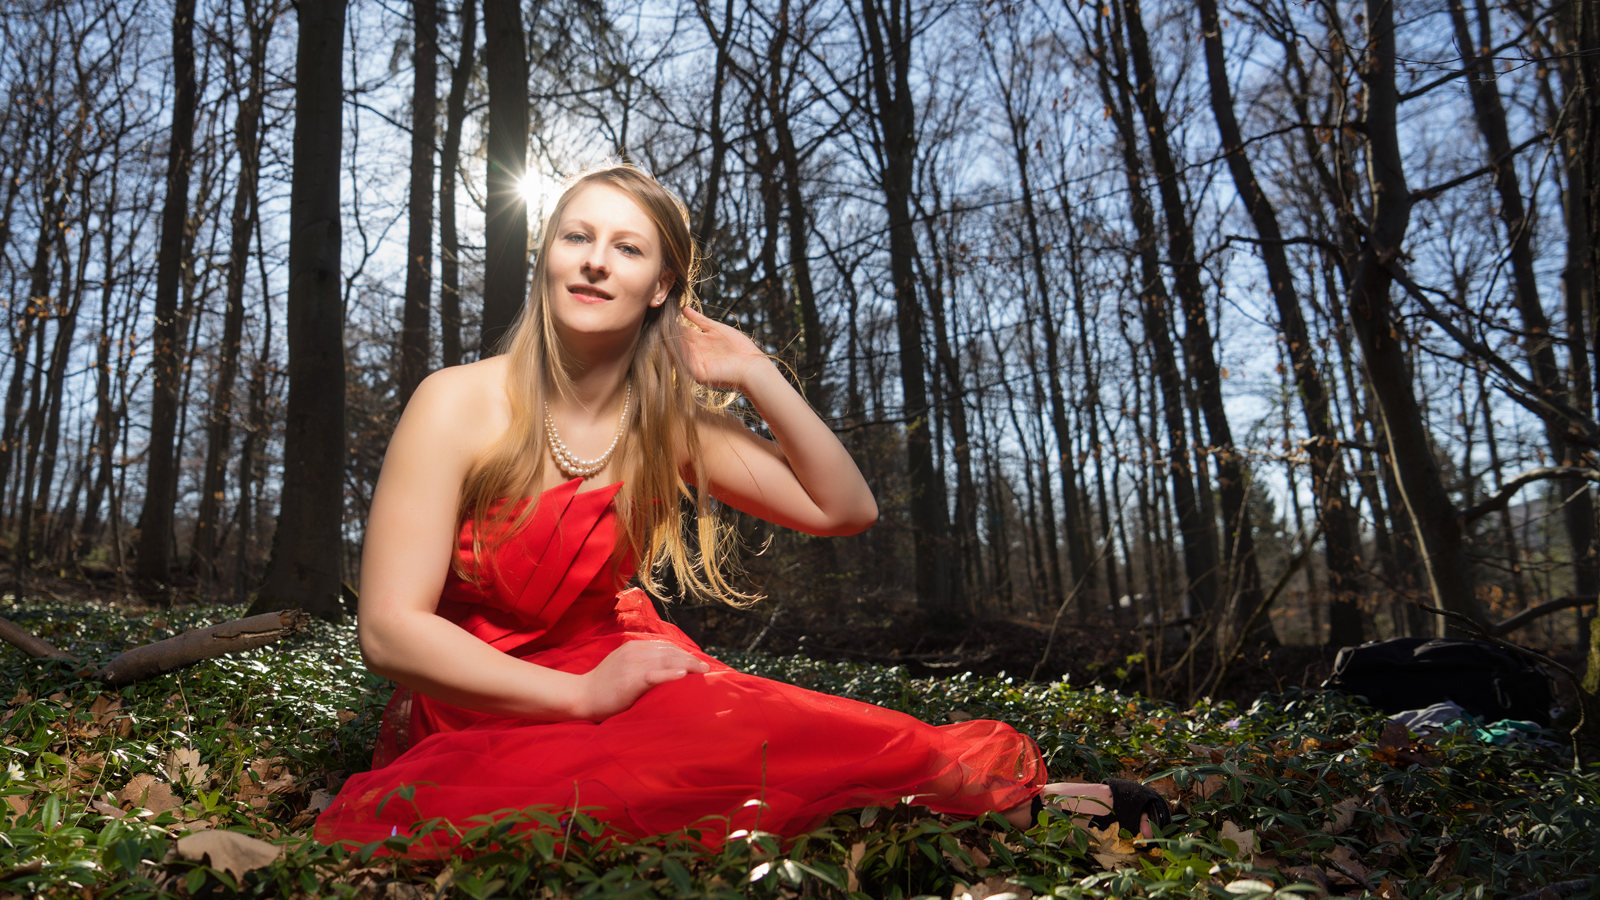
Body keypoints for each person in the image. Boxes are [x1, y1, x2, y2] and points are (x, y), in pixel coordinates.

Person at [314, 164, 1168, 854]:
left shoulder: (671, 426)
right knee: (601, 794)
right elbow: (390, 631)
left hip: (621, 656)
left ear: (661, 289)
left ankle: (1012, 800)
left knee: (763, 729)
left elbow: (845, 508)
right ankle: (977, 804)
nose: (595, 260)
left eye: (627, 248)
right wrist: (576, 700)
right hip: (485, 690)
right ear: (546, 256)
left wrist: (757, 372)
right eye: (576, 236)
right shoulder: (456, 402)